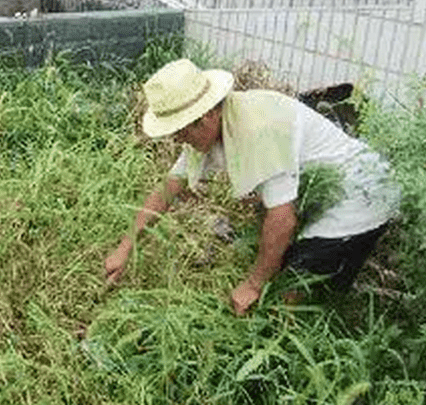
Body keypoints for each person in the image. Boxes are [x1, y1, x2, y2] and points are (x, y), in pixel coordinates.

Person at [104, 58, 400, 315]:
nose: (178, 140)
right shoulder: (212, 127)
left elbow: (282, 220)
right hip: (326, 189)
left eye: (179, 132)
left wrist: (252, 284)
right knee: (296, 269)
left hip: (361, 193)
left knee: (289, 293)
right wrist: (125, 248)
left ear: (204, 117)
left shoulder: (258, 131)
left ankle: (289, 350)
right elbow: (167, 190)